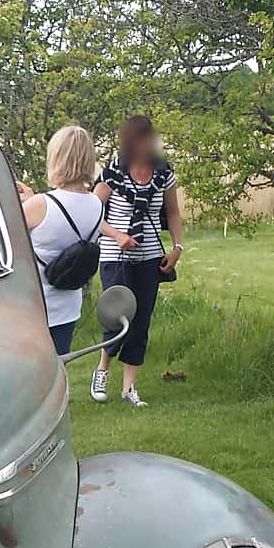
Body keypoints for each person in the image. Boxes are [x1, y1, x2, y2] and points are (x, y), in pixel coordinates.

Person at [93, 115, 182, 407]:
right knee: (119, 316)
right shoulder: (113, 173)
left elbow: (172, 213)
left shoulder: (163, 173)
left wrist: (176, 248)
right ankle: (102, 369)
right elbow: (92, 212)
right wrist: (117, 235)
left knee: (141, 321)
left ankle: (128, 388)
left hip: (148, 258)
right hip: (115, 255)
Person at [18, 125, 104, 357]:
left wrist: (29, 200)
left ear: (56, 158)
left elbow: (2, 234)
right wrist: (34, 198)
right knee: (58, 371)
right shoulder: (97, 205)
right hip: (68, 307)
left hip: (33, 309)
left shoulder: (40, 205)